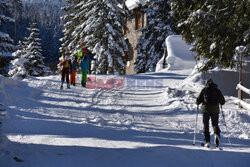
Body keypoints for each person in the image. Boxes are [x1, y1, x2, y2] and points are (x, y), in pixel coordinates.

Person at [196, 79, 225, 148]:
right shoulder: (217, 90)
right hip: (215, 110)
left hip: (206, 110)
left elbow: (197, 101)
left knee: (206, 126)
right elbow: (223, 102)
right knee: (215, 124)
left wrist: (198, 102)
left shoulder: (204, 90)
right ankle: (216, 134)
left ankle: (207, 141)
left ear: (206, 83)